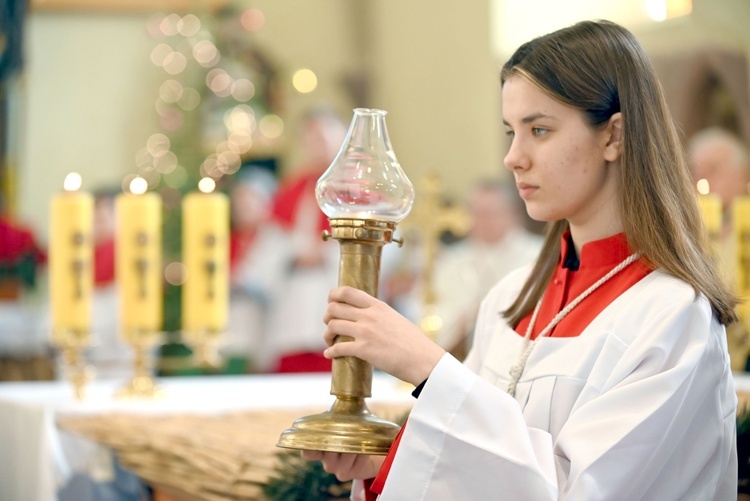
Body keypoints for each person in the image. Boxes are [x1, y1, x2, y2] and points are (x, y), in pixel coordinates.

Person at [302, 20, 738, 499]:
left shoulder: (672, 316)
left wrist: (431, 370)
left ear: (614, 136)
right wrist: (389, 462)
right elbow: (479, 466)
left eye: (539, 130)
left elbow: (581, 491)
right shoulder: (509, 300)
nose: (513, 156)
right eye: (511, 131)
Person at [409, 178, 543, 359]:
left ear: (513, 214)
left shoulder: (538, 256)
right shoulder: (453, 261)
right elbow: (425, 313)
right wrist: (462, 321)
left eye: (491, 212)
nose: (482, 220)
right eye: (476, 212)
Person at [688, 127, 750, 372]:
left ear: (743, 175)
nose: (701, 182)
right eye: (695, 172)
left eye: (713, 170)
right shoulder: (686, 235)